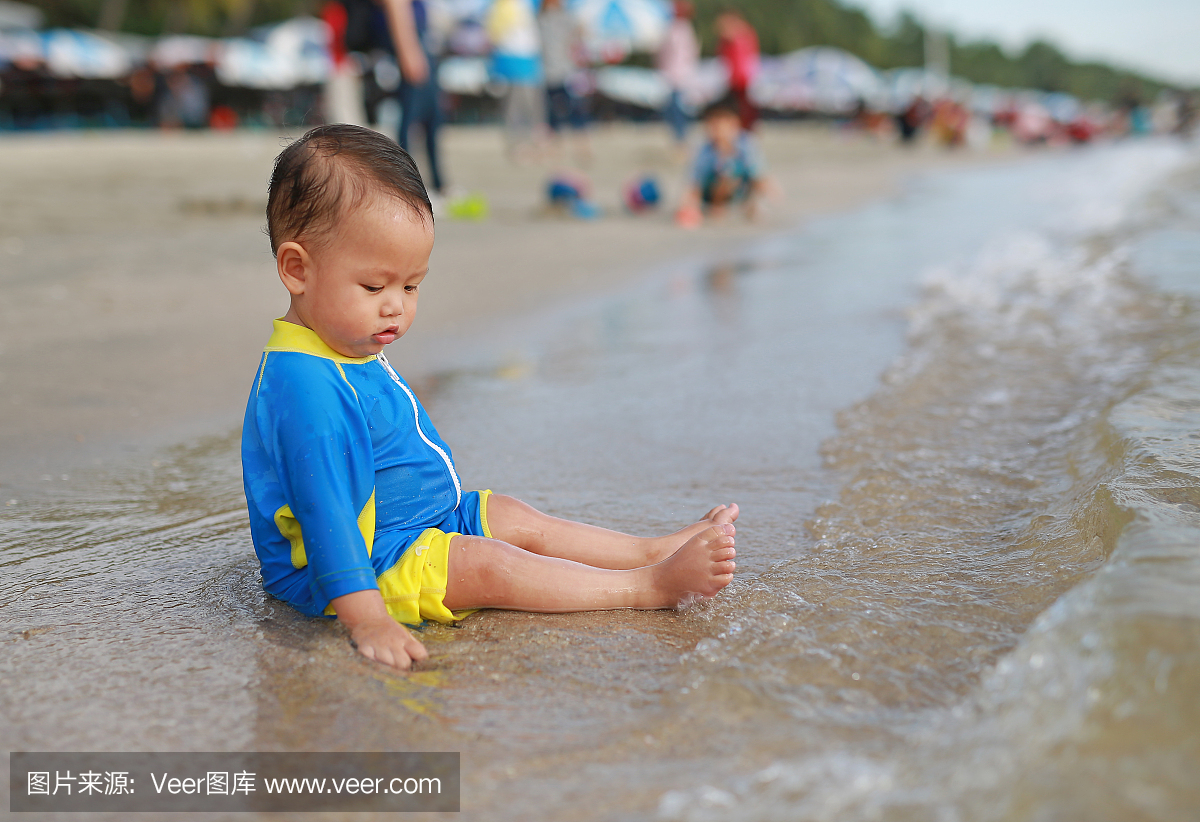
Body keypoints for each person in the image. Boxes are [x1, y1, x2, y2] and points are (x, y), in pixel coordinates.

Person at [242, 124, 738, 670]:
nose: (396, 308)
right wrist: (368, 618)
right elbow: (327, 515)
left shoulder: (339, 339)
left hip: (414, 524)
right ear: (297, 269)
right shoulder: (307, 387)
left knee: (513, 516)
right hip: (360, 566)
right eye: (374, 287)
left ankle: (650, 549)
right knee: (487, 565)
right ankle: (647, 586)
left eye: (411, 287)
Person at [675, 102, 766, 226]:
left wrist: (767, 193)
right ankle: (718, 206)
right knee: (727, 169)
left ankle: (748, 204)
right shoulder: (704, 150)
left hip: (739, 188)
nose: (716, 130)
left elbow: (759, 175)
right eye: (712, 125)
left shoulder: (745, 144)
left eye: (719, 125)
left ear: (734, 124)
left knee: (744, 171)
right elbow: (693, 183)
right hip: (711, 191)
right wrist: (687, 206)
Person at [486, 0, 545, 159]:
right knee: (516, 106)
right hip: (513, 59)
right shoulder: (504, 5)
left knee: (530, 105)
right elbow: (496, 33)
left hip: (527, 58)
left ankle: (529, 143)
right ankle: (518, 145)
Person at [538, 0, 589, 157]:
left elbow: (580, 35)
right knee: (558, 110)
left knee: (570, 109)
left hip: (563, 71)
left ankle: (578, 145)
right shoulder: (542, 20)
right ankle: (560, 145)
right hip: (553, 71)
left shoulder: (560, 18)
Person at [657, 0, 699, 147]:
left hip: (677, 76)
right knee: (676, 109)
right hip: (677, 76)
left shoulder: (677, 28)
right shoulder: (681, 28)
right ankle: (680, 138)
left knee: (676, 110)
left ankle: (680, 139)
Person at [714, 8, 759, 131]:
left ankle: (743, 130)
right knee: (742, 107)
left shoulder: (739, 34)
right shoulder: (746, 33)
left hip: (740, 77)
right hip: (739, 76)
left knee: (740, 108)